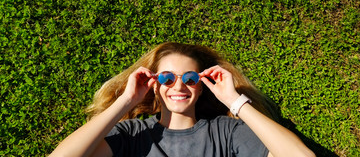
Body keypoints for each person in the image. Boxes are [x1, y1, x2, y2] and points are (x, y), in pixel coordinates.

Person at [49, 42, 315, 157]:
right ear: (154, 84)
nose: (178, 85)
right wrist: (126, 101)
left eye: (189, 78)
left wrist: (234, 101)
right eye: (166, 78)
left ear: (200, 87)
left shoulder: (226, 132)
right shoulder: (131, 135)